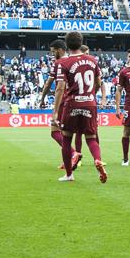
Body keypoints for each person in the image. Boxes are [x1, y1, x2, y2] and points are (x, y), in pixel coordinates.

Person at [54, 32, 107, 184]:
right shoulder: (92, 60)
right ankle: (97, 160)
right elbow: (98, 82)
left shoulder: (64, 63)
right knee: (91, 137)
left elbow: (60, 87)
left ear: (66, 45)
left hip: (72, 104)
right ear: (81, 42)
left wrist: (56, 111)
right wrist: (91, 95)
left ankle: (69, 175)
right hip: (90, 103)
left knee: (66, 138)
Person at [39, 39, 82, 170]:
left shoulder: (59, 63)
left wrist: (43, 99)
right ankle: (68, 161)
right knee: (65, 133)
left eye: (53, 52)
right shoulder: (74, 61)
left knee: (55, 132)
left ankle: (74, 153)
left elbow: (51, 84)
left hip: (63, 101)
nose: (53, 55)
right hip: (76, 99)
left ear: (60, 50)